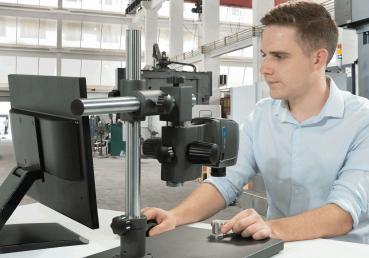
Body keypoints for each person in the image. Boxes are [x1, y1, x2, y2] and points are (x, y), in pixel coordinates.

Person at [143, 1, 369, 243]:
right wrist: (175, 216)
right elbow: (226, 181)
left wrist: (271, 228)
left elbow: (343, 213)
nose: (265, 68)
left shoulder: (361, 121)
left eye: (279, 56)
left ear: (318, 59)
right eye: (264, 55)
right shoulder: (262, 115)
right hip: (279, 248)